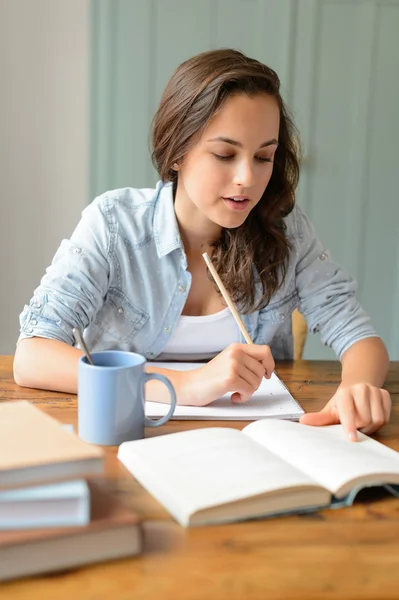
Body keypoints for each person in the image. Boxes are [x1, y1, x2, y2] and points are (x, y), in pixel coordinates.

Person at [14, 48, 390, 440]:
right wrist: (186, 384)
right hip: (127, 438)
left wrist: (357, 389)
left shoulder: (286, 229)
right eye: (225, 154)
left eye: (264, 156)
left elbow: (359, 336)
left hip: (256, 447)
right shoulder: (114, 225)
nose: (247, 177)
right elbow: (33, 356)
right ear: (177, 152)